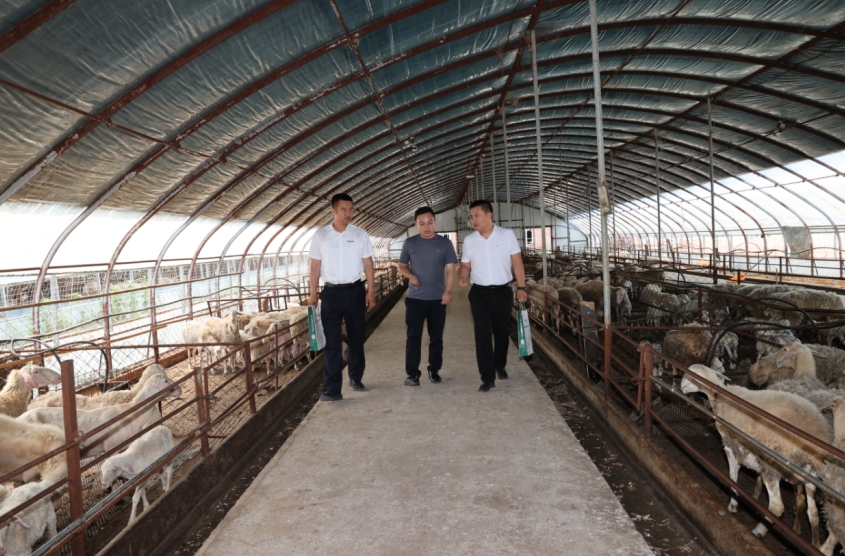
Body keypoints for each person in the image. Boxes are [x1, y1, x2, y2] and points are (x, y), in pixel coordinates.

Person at [308, 193, 376, 402]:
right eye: (344, 209)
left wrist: (371, 291)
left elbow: (368, 264)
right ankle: (332, 389)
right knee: (332, 341)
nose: (348, 213)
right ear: (333, 211)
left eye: (351, 209)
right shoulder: (321, 235)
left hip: (355, 291)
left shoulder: (360, 234)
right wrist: (313, 293)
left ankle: (355, 377)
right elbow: (315, 266)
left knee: (356, 337)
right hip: (331, 294)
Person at [458, 200, 528, 392]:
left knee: (502, 332)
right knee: (482, 335)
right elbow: (465, 265)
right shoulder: (470, 240)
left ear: (489, 215)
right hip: (479, 294)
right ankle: (487, 377)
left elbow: (518, 263)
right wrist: (462, 276)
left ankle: (499, 365)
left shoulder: (507, 235)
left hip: (503, 292)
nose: (473, 220)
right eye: (471, 216)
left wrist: (521, 287)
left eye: (477, 215)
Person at [398, 207, 458, 387]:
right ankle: (413, 374)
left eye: (430, 222)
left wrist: (448, 291)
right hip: (415, 299)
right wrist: (410, 275)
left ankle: (434, 369)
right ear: (416, 224)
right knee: (413, 337)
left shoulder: (445, 243)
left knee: (436, 337)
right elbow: (402, 265)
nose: (426, 227)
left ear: (435, 222)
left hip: (437, 299)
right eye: (422, 223)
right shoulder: (410, 243)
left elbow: (451, 269)